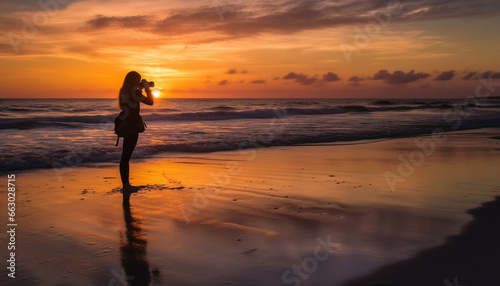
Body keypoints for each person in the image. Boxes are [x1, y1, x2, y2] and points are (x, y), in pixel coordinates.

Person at [118, 71, 154, 192]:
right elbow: (150, 102)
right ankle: (126, 186)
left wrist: (140, 88)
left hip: (125, 124)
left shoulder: (124, 91)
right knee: (126, 157)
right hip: (132, 126)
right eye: (138, 80)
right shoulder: (135, 93)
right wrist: (148, 90)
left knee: (125, 156)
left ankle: (126, 184)